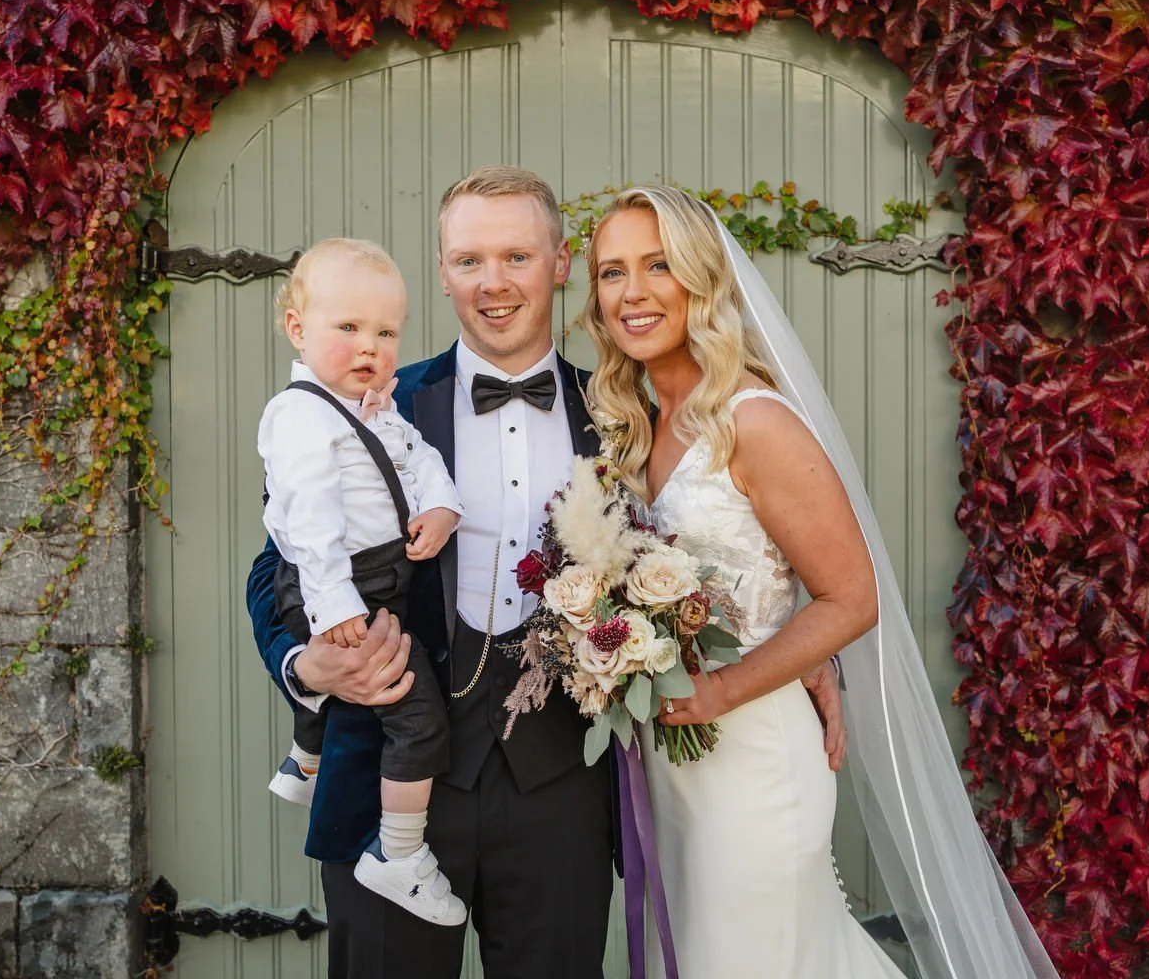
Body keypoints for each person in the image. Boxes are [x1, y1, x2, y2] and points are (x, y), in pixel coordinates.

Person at [245, 166, 848, 979]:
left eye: (518, 257)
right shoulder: (372, 406)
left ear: (561, 264)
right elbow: (274, 562)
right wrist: (303, 664)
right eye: (468, 261)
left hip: (562, 788)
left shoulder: (626, 419)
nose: (493, 284)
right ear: (442, 269)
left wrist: (810, 654)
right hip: (389, 787)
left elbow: (721, 544)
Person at [580, 185, 1059, 979]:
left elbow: (853, 596)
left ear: (703, 278)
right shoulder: (630, 427)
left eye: (659, 266)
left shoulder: (755, 422)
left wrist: (727, 689)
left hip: (755, 761)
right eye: (611, 272)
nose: (633, 293)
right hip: (668, 766)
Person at [257, 238, 466, 926]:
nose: (369, 345)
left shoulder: (371, 404)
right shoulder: (298, 416)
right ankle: (397, 855)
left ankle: (301, 758)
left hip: (380, 576)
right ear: (298, 328)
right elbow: (307, 527)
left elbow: (415, 457)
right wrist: (332, 606)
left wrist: (441, 505)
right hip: (346, 585)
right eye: (347, 327)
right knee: (416, 717)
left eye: (385, 331)